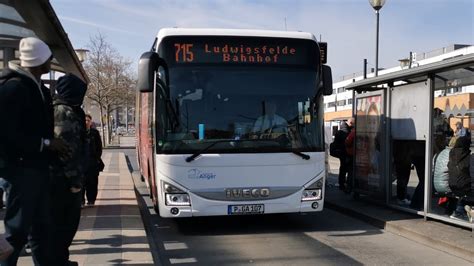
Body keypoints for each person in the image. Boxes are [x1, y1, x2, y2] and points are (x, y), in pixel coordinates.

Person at [0, 37, 68, 265]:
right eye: (49, 58)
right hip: (22, 170)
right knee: (16, 233)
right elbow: (8, 134)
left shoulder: (35, 87)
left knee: (41, 230)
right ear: (41, 62)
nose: (51, 62)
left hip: (36, 169)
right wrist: (46, 144)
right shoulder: (14, 88)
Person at [50, 74, 87, 265]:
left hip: (62, 180)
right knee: (65, 225)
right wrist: (74, 182)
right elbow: (67, 149)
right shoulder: (64, 113)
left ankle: (61, 259)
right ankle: (59, 260)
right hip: (63, 181)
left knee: (65, 225)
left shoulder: (68, 110)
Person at [83, 114, 103, 207]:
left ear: (91, 122)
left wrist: (96, 158)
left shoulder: (95, 133)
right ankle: (81, 201)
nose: (86, 122)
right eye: (85, 120)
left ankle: (91, 200)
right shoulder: (78, 132)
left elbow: (99, 147)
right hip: (81, 163)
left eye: (88, 120)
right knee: (81, 183)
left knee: (92, 183)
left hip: (92, 163)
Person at [333, 118, 353, 191]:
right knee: (346, 168)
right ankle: (344, 184)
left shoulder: (340, 131)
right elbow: (347, 142)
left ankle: (342, 183)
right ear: (350, 123)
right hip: (345, 153)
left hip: (341, 153)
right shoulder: (346, 132)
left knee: (343, 168)